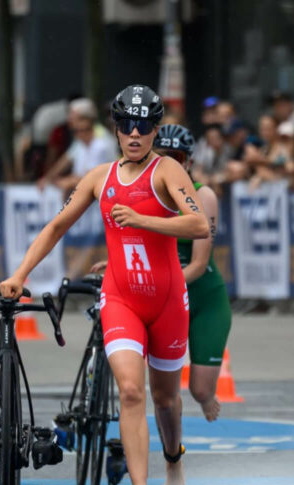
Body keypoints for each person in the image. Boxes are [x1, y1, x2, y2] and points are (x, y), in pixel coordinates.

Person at [0, 85, 209, 485]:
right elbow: (56, 227)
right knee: (130, 391)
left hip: (167, 302)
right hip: (122, 299)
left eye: (144, 126)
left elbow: (199, 225)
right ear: (114, 128)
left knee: (165, 399)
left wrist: (143, 219)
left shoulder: (167, 170)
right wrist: (20, 274)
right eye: (126, 125)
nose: (135, 134)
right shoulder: (100, 178)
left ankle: (173, 459)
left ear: (155, 130)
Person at [96, 124, 231, 422]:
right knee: (160, 392)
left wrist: (161, 283)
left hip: (202, 297)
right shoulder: (146, 189)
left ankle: (206, 397)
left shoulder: (203, 195)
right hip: (160, 292)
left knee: (199, 389)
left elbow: (198, 264)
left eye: (177, 157)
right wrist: (120, 266)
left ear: (189, 161)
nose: (170, 162)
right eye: (163, 154)